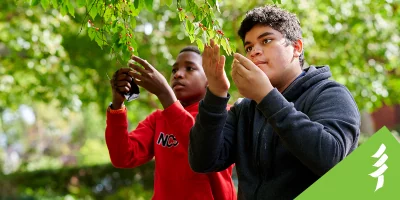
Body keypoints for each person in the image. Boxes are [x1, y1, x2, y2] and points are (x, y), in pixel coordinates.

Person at [189, 5, 360, 200]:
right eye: (249, 47)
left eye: (266, 40)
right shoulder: (244, 109)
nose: (254, 52)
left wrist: (266, 97)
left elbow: (332, 159)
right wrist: (216, 95)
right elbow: (202, 161)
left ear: (296, 47)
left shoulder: (331, 94)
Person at [105, 46, 236, 200]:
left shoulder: (226, 114)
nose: (178, 74)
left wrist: (165, 94)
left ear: (209, 78)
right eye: (174, 70)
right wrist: (117, 106)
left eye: (189, 68)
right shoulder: (158, 119)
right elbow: (122, 157)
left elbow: (201, 148)